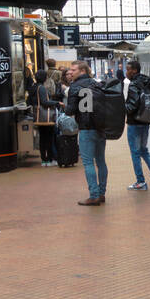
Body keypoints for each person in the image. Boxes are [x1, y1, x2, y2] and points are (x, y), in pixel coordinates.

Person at [65, 61, 106, 205]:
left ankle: (94, 195)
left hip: (86, 128)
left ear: (82, 71)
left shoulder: (74, 86)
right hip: (100, 128)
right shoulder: (97, 84)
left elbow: (69, 111)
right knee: (101, 161)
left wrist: (66, 106)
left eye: (73, 70)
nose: (70, 72)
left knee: (88, 162)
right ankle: (101, 194)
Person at [123, 58, 150, 190]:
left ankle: (140, 182)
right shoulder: (148, 81)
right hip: (146, 121)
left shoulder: (133, 84)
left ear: (134, 71)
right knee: (144, 150)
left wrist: (122, 108)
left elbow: (132, 105)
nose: (126, 72)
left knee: (135, 153)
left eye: (128, 69)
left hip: (134, 123)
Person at [32, 69, 64, 167]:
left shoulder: (33, 87)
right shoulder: (41, 88)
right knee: (49, 138)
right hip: (45, 116)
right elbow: (45, 102)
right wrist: (57, 103)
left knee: (42, 138)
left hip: (38, 115)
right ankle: (49, 159)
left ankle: (44, 159)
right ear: (44, 78)